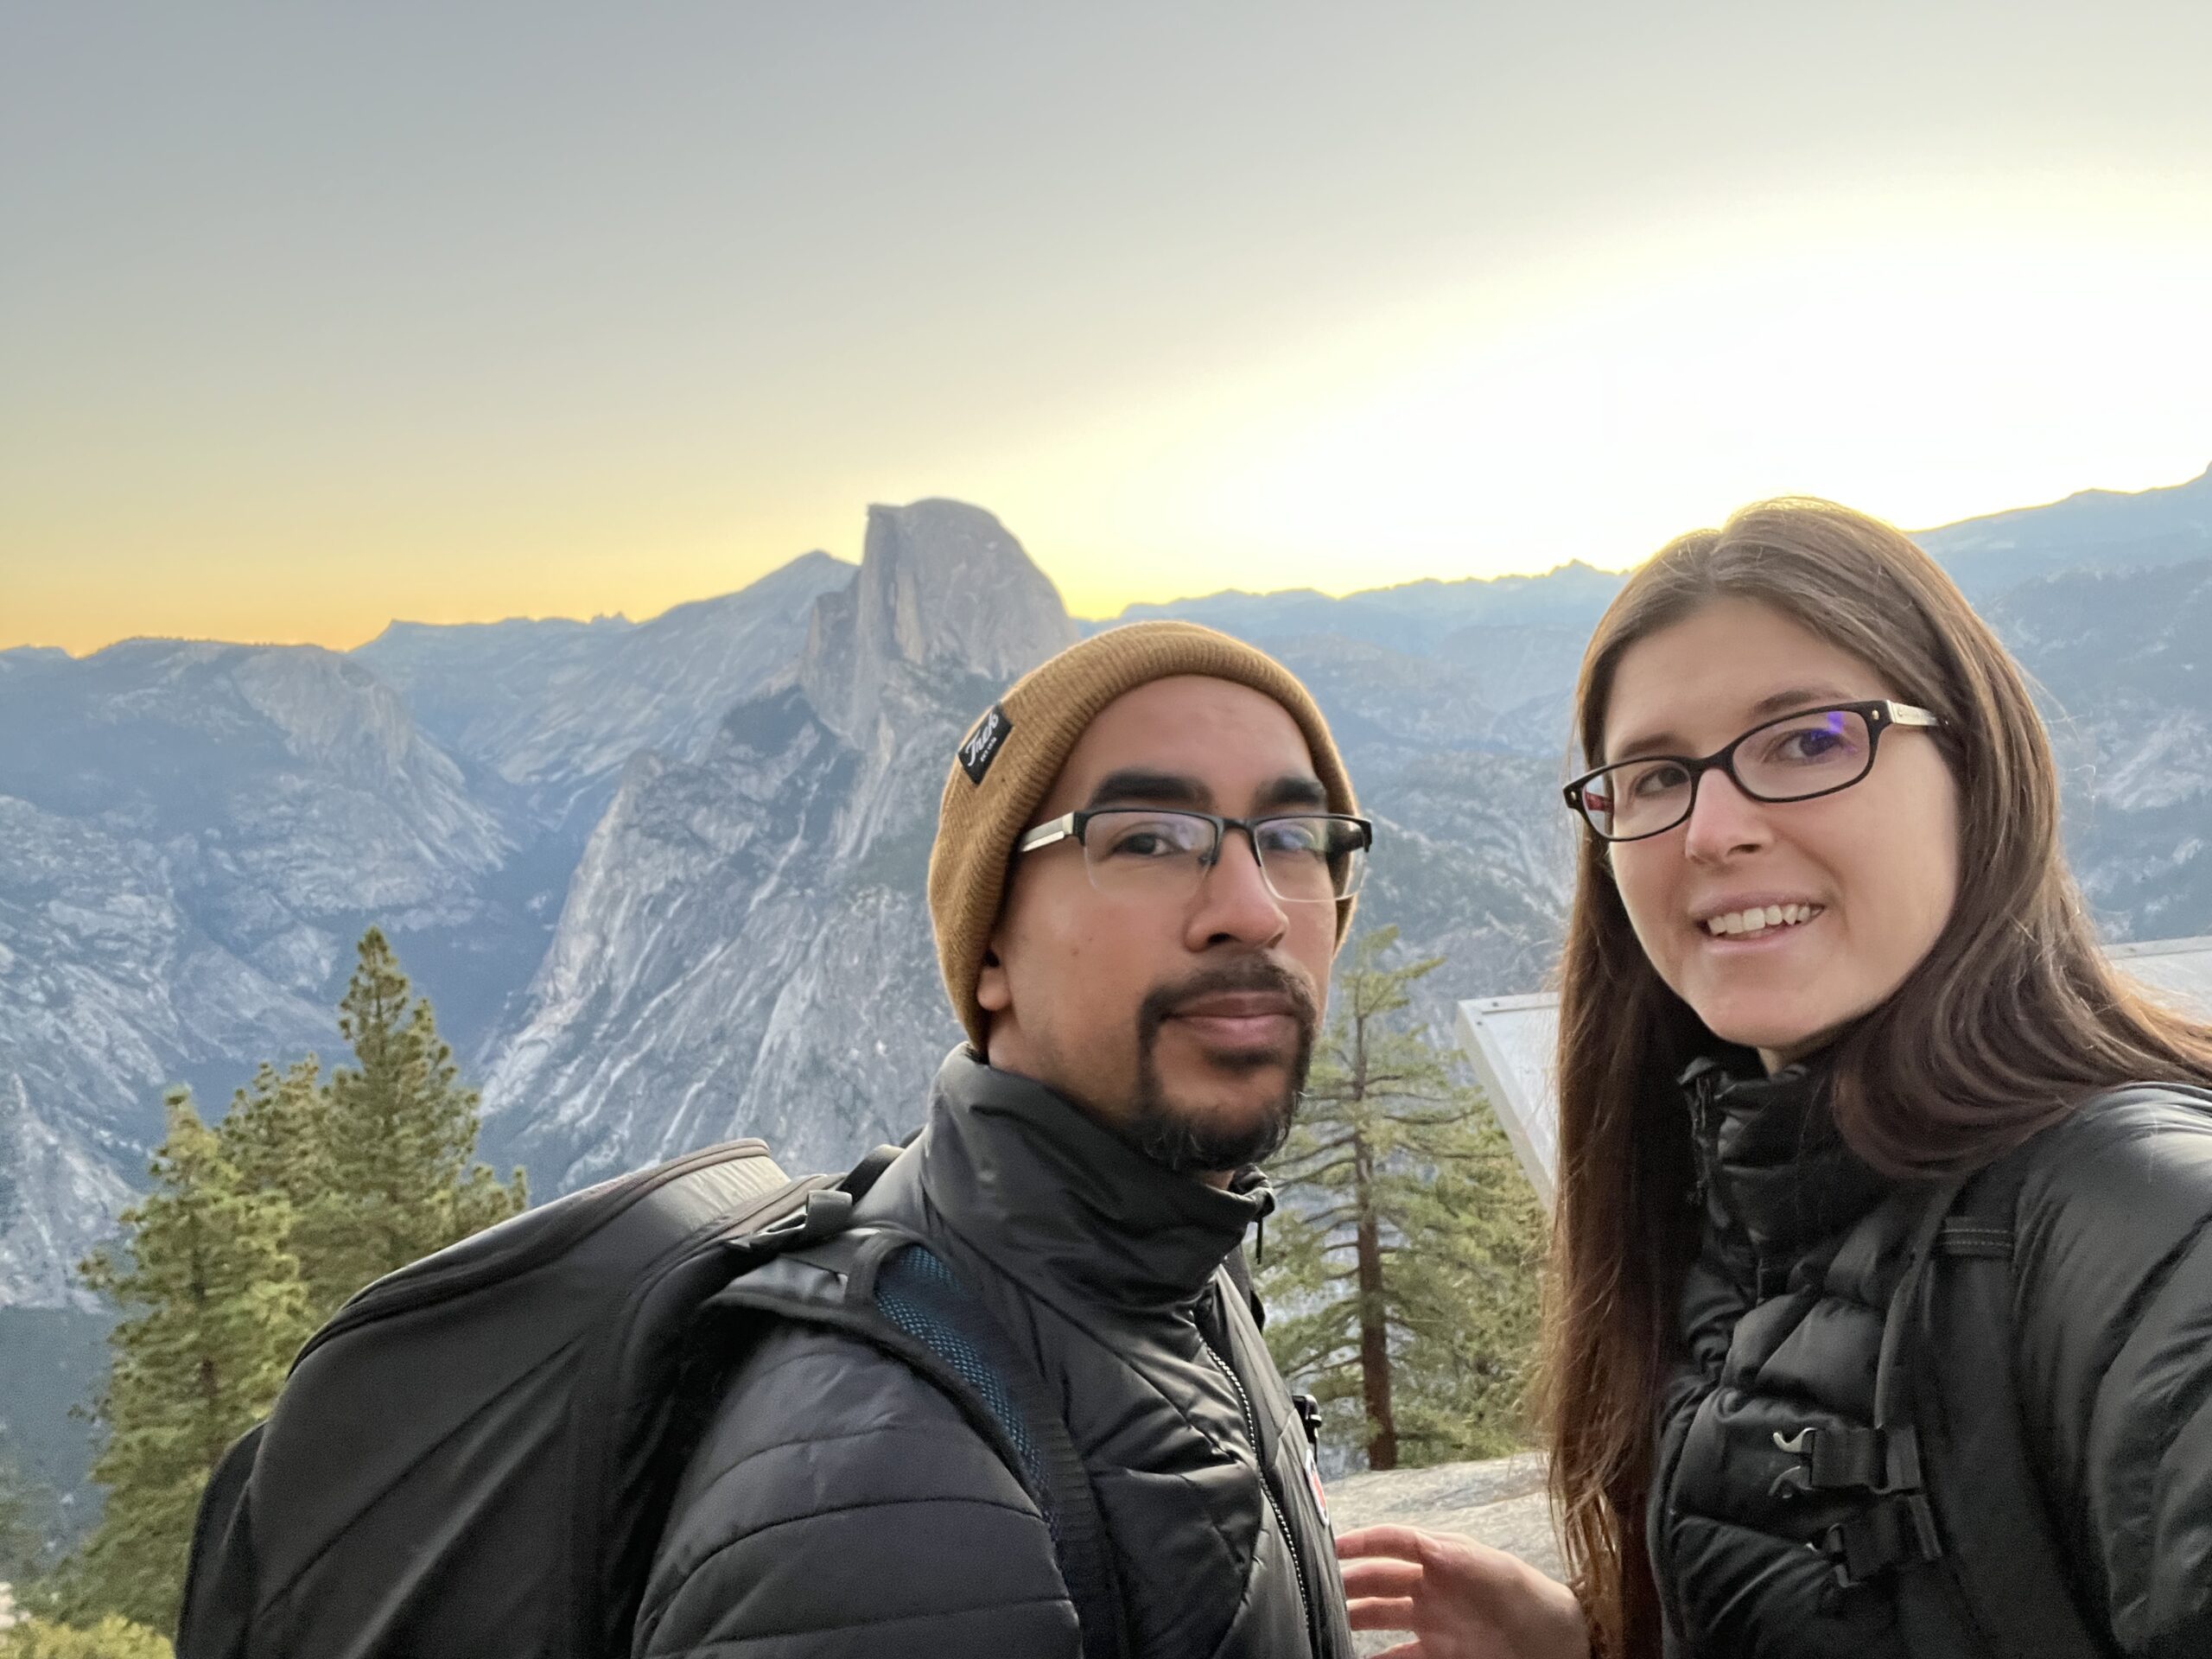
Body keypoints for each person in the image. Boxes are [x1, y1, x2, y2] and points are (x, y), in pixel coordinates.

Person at [1340, 499, 2212, 1657]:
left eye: (1807, 742)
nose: (1711, 830)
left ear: (1974, 768)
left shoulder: (2151, 1228)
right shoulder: (1732, 1204)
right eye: (1656, 777)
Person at [633, 620, 1367, 1657]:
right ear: (989, 954)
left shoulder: (1172, 1253)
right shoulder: (881, 1514)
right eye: (1146, 840)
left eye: (1291, 839)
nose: (1254, 910)